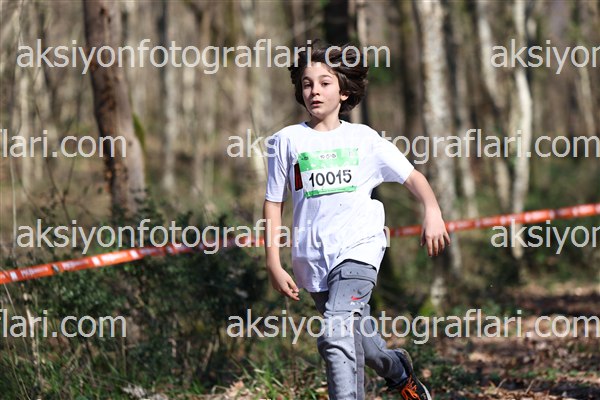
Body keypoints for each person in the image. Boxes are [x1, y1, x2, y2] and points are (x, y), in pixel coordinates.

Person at [263, 42, 450, 400]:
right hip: (313, 259)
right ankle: (399, 371)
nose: (314, 91)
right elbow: (273, 203)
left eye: (325, 83)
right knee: (363, 343)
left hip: (359, 252)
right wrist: (273, 261)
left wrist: (432, 210)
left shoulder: (364, 139)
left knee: (335, 336)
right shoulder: (285, 141)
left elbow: (413, 177)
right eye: (307, 83)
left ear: (344, 91)